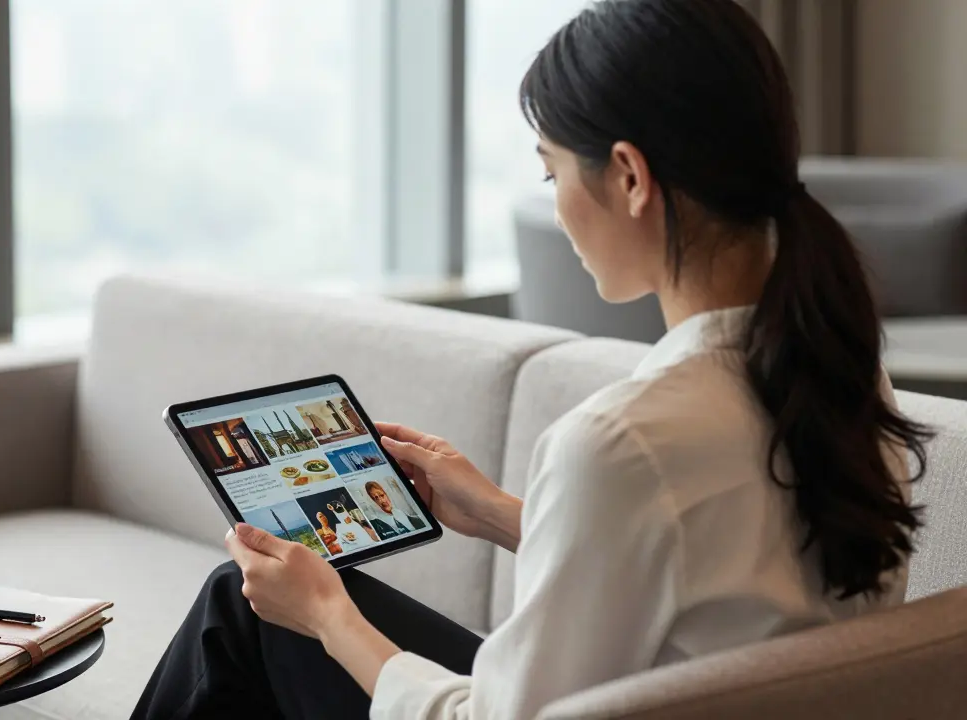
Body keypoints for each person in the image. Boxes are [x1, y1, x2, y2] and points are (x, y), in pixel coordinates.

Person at [132, 1, 934, 717]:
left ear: (629, 177)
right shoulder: (843, 375)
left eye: (552, 171)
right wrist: (495, 512)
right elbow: (711, 574)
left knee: (245, 609)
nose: (555, 202)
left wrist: (327, 618)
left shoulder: (623, 442)